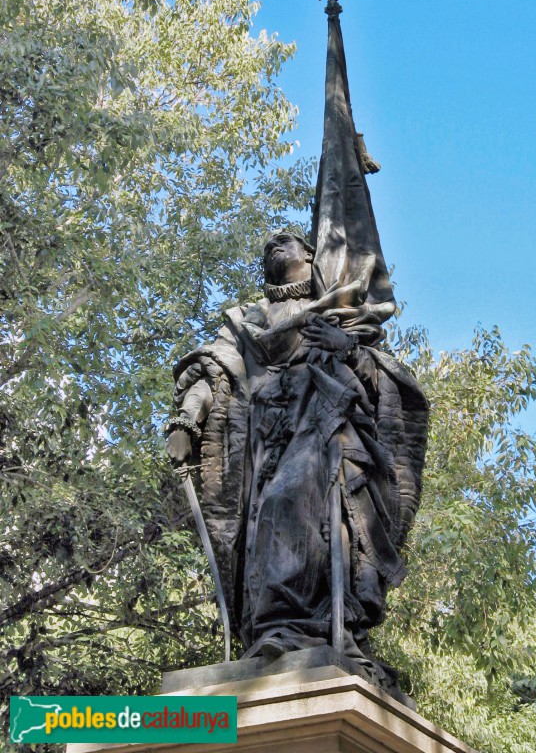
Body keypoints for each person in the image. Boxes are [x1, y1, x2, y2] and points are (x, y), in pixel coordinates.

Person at [166, 230, 428, 670]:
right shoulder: (250, 320)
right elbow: (213, 372)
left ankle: (314, 629)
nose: (273, 247)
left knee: (296, 510)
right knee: (262, 531)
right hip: (263, 444)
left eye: (284, 241)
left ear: (310, 254)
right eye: (267, 245)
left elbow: (386, 385)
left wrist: (349, 351)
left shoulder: (339, 312)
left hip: (325, 432)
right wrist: (186, 421)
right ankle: (273, 633)